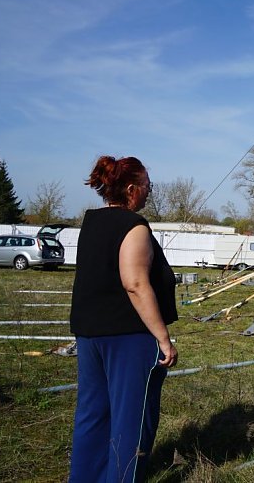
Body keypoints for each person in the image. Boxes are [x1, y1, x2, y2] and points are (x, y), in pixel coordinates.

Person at [69, 155, 178, 482]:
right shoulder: (134, 226)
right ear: (131, 189)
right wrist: (163, 339)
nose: (149, 193)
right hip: (128, 339)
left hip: (90, 335)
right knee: (131, 422)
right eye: (147, 187)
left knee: (93, 416)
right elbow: (135, 283)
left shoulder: (91, 223)